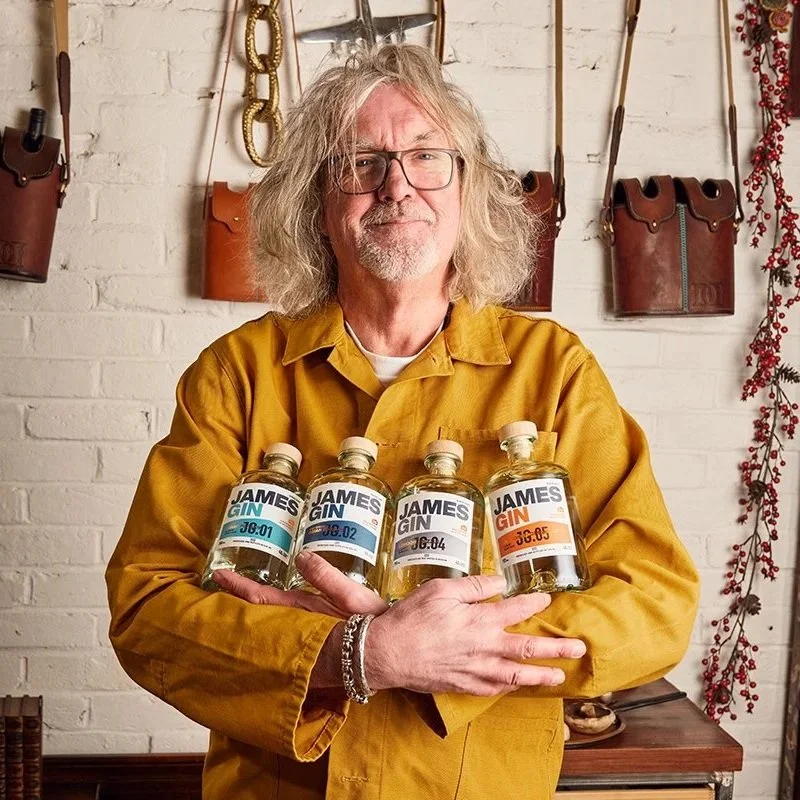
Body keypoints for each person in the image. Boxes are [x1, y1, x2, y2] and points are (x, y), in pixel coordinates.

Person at [106, 44, 699, 800]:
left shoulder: (554, 371)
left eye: (427, 157)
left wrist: (455, 653)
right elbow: (147, 607)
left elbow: (654, 602)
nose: (398, 186)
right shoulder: (238, 374)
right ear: (316, 202)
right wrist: (352, 653)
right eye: (361, 163)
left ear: (469, 191)